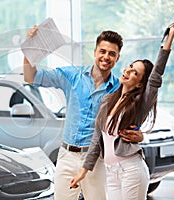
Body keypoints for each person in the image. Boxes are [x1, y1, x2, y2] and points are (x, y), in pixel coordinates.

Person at [23, 27, 143, 199]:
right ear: (95, 52)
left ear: (117, 58)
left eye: (112, 54)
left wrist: (140, 136)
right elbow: (30, 77)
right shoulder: (72, 75)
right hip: (67, 156)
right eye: (102, 51)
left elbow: (132, 120)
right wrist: (30, 47)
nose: (106, 57)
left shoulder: (118, 89)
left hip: (96, 160)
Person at [70, 19, 174, 200]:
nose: (128, 71)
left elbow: (156, 75)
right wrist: (83, 171)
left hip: (131, 169)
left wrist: (170, 37)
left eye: (135, 73)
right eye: (130, 67)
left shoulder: (139, 104)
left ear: (139, 84)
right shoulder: (108, 100)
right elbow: (97, 138)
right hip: (111, 172)